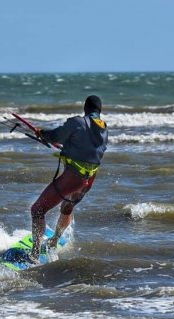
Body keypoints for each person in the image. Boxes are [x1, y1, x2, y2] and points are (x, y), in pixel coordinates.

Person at [29, 95, 108, 261]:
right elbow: (87, 149)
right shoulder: (103, 129)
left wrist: (42, 134)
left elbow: (56, 135)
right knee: (67, 208)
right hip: (89, 180)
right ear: (99, 111)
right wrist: (66, 146)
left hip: (74, 178)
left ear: (85, 108)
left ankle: (35, 254)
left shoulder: (77, 122)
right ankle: (53, 242)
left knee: (37, 210)